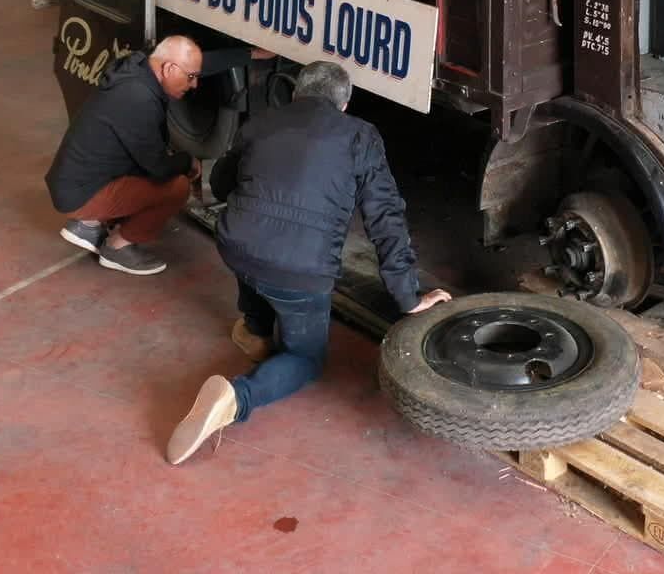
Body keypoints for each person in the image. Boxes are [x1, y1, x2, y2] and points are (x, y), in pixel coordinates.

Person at [166, 61, 450, 465]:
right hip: (300, 271)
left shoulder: (263, 122)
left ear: (297, 93)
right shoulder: (361, 136)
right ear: (345, 104)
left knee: (255, 252)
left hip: (236, 247)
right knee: (305, 358)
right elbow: (385, 218)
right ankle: (237, 397)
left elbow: (221, 184)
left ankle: (255, 328)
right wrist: (408, 297)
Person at [47, 35, 261, 275]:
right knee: (177, 187)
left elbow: (196, 64)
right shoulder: (138, 100)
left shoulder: (140, 68)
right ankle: (117, 246)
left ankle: (88, 223)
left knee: (156, 168)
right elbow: (157, 168)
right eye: (191, 78)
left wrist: (249, 54)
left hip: (72, 180)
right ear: (169, 69)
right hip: (80, 194)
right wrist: (187, 160)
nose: (194, 85)